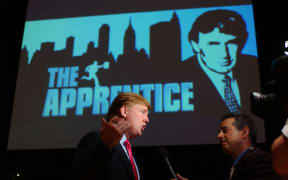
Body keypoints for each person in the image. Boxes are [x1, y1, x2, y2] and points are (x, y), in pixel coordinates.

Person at [181, 9, 260, 115]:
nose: (224, 54)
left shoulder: (253, 65)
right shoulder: (178, 75)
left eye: (231, 42)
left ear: (242, 42)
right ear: (195, 45)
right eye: (213, 44)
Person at [71, 92, 151, 180]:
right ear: (124, 111)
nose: (147, 120)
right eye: (143, 112)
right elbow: (81, 175)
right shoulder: (98, 139)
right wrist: (104, 147)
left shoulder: (130, 152)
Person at [216, 113, 280, 180]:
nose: (219, 136)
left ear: (244, 133)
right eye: (219, 131)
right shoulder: (235, 164)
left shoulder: (258, 159)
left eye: (225, 130)